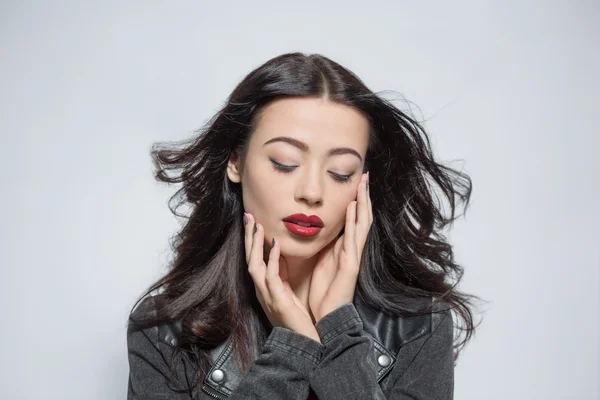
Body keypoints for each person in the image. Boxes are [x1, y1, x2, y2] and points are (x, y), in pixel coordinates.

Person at [126, 52, 479, 399]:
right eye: (285, 163)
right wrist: (293, 347)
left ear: (363, 183)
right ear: (236, 161)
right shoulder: (165, 332)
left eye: (340, 172)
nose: (312, 193)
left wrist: (338, 328)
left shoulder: (419, 326)